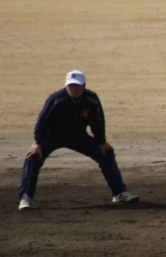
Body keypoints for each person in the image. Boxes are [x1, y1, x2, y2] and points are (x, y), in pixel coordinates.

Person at [17, 70, 139, 210]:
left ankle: (119, 193)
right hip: (52, 137)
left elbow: (98, 121)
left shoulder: (91, 99)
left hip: (78, 137)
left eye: (77, 86)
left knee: (106, 153)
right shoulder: (56, 98)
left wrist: (101, 142)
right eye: (71, 86)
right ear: (66, 86)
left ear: (84, 86)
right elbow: (42, 121)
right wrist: (38, 143)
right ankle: (25, 197)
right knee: (32, 157)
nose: (74, 89)